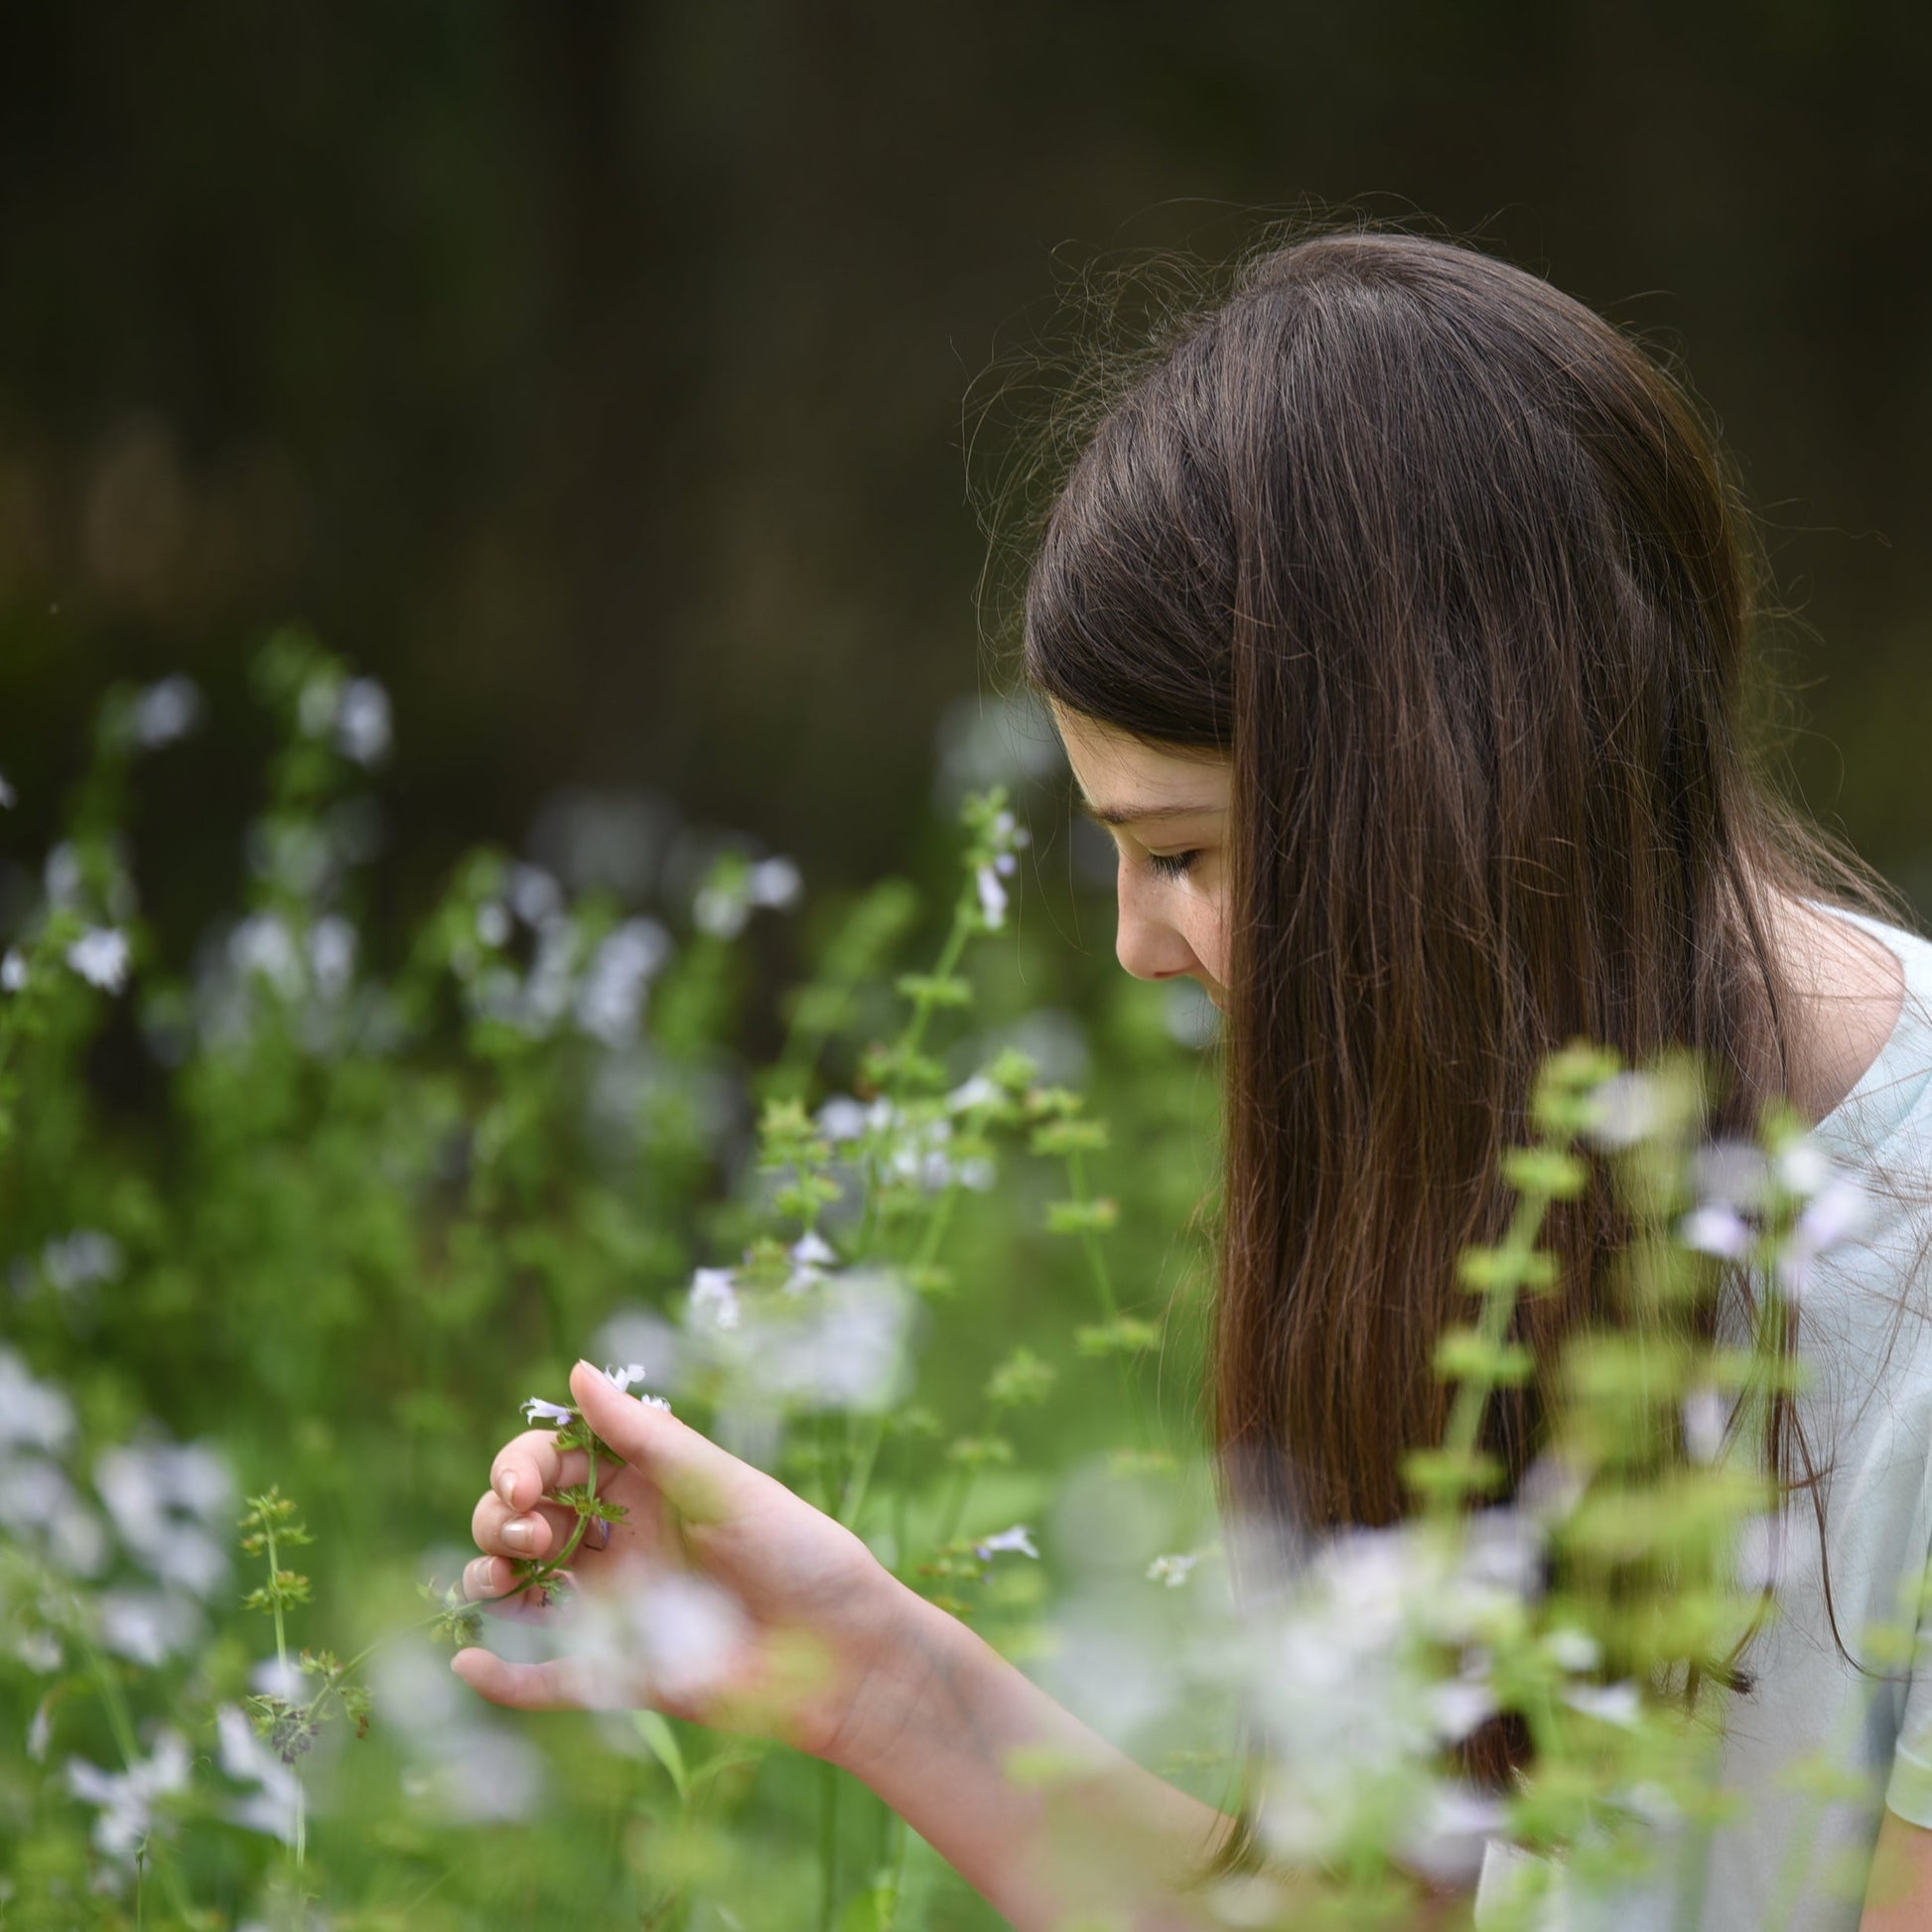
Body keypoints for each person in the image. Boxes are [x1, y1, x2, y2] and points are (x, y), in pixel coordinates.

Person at [454, 229, 1932, 1930]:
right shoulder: (1503, 1175)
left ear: (1449, 808)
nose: (1138, 949)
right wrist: (872, 1672)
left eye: (1180, 852)